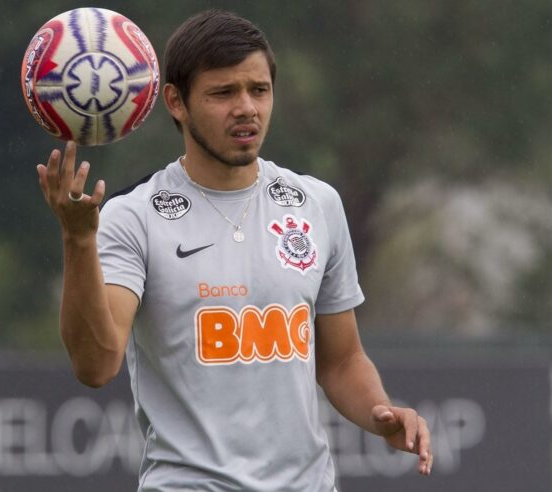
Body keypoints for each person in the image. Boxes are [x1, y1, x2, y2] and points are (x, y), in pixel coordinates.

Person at [36, 9, 432, 491]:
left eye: (258, 90)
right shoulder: (132, 216)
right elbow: (95, 366)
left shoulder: (317, 204)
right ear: (176, 102)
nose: (246, 107)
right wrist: (78, 241)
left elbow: (341, 360)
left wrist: (381, 415)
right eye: (223, 93)